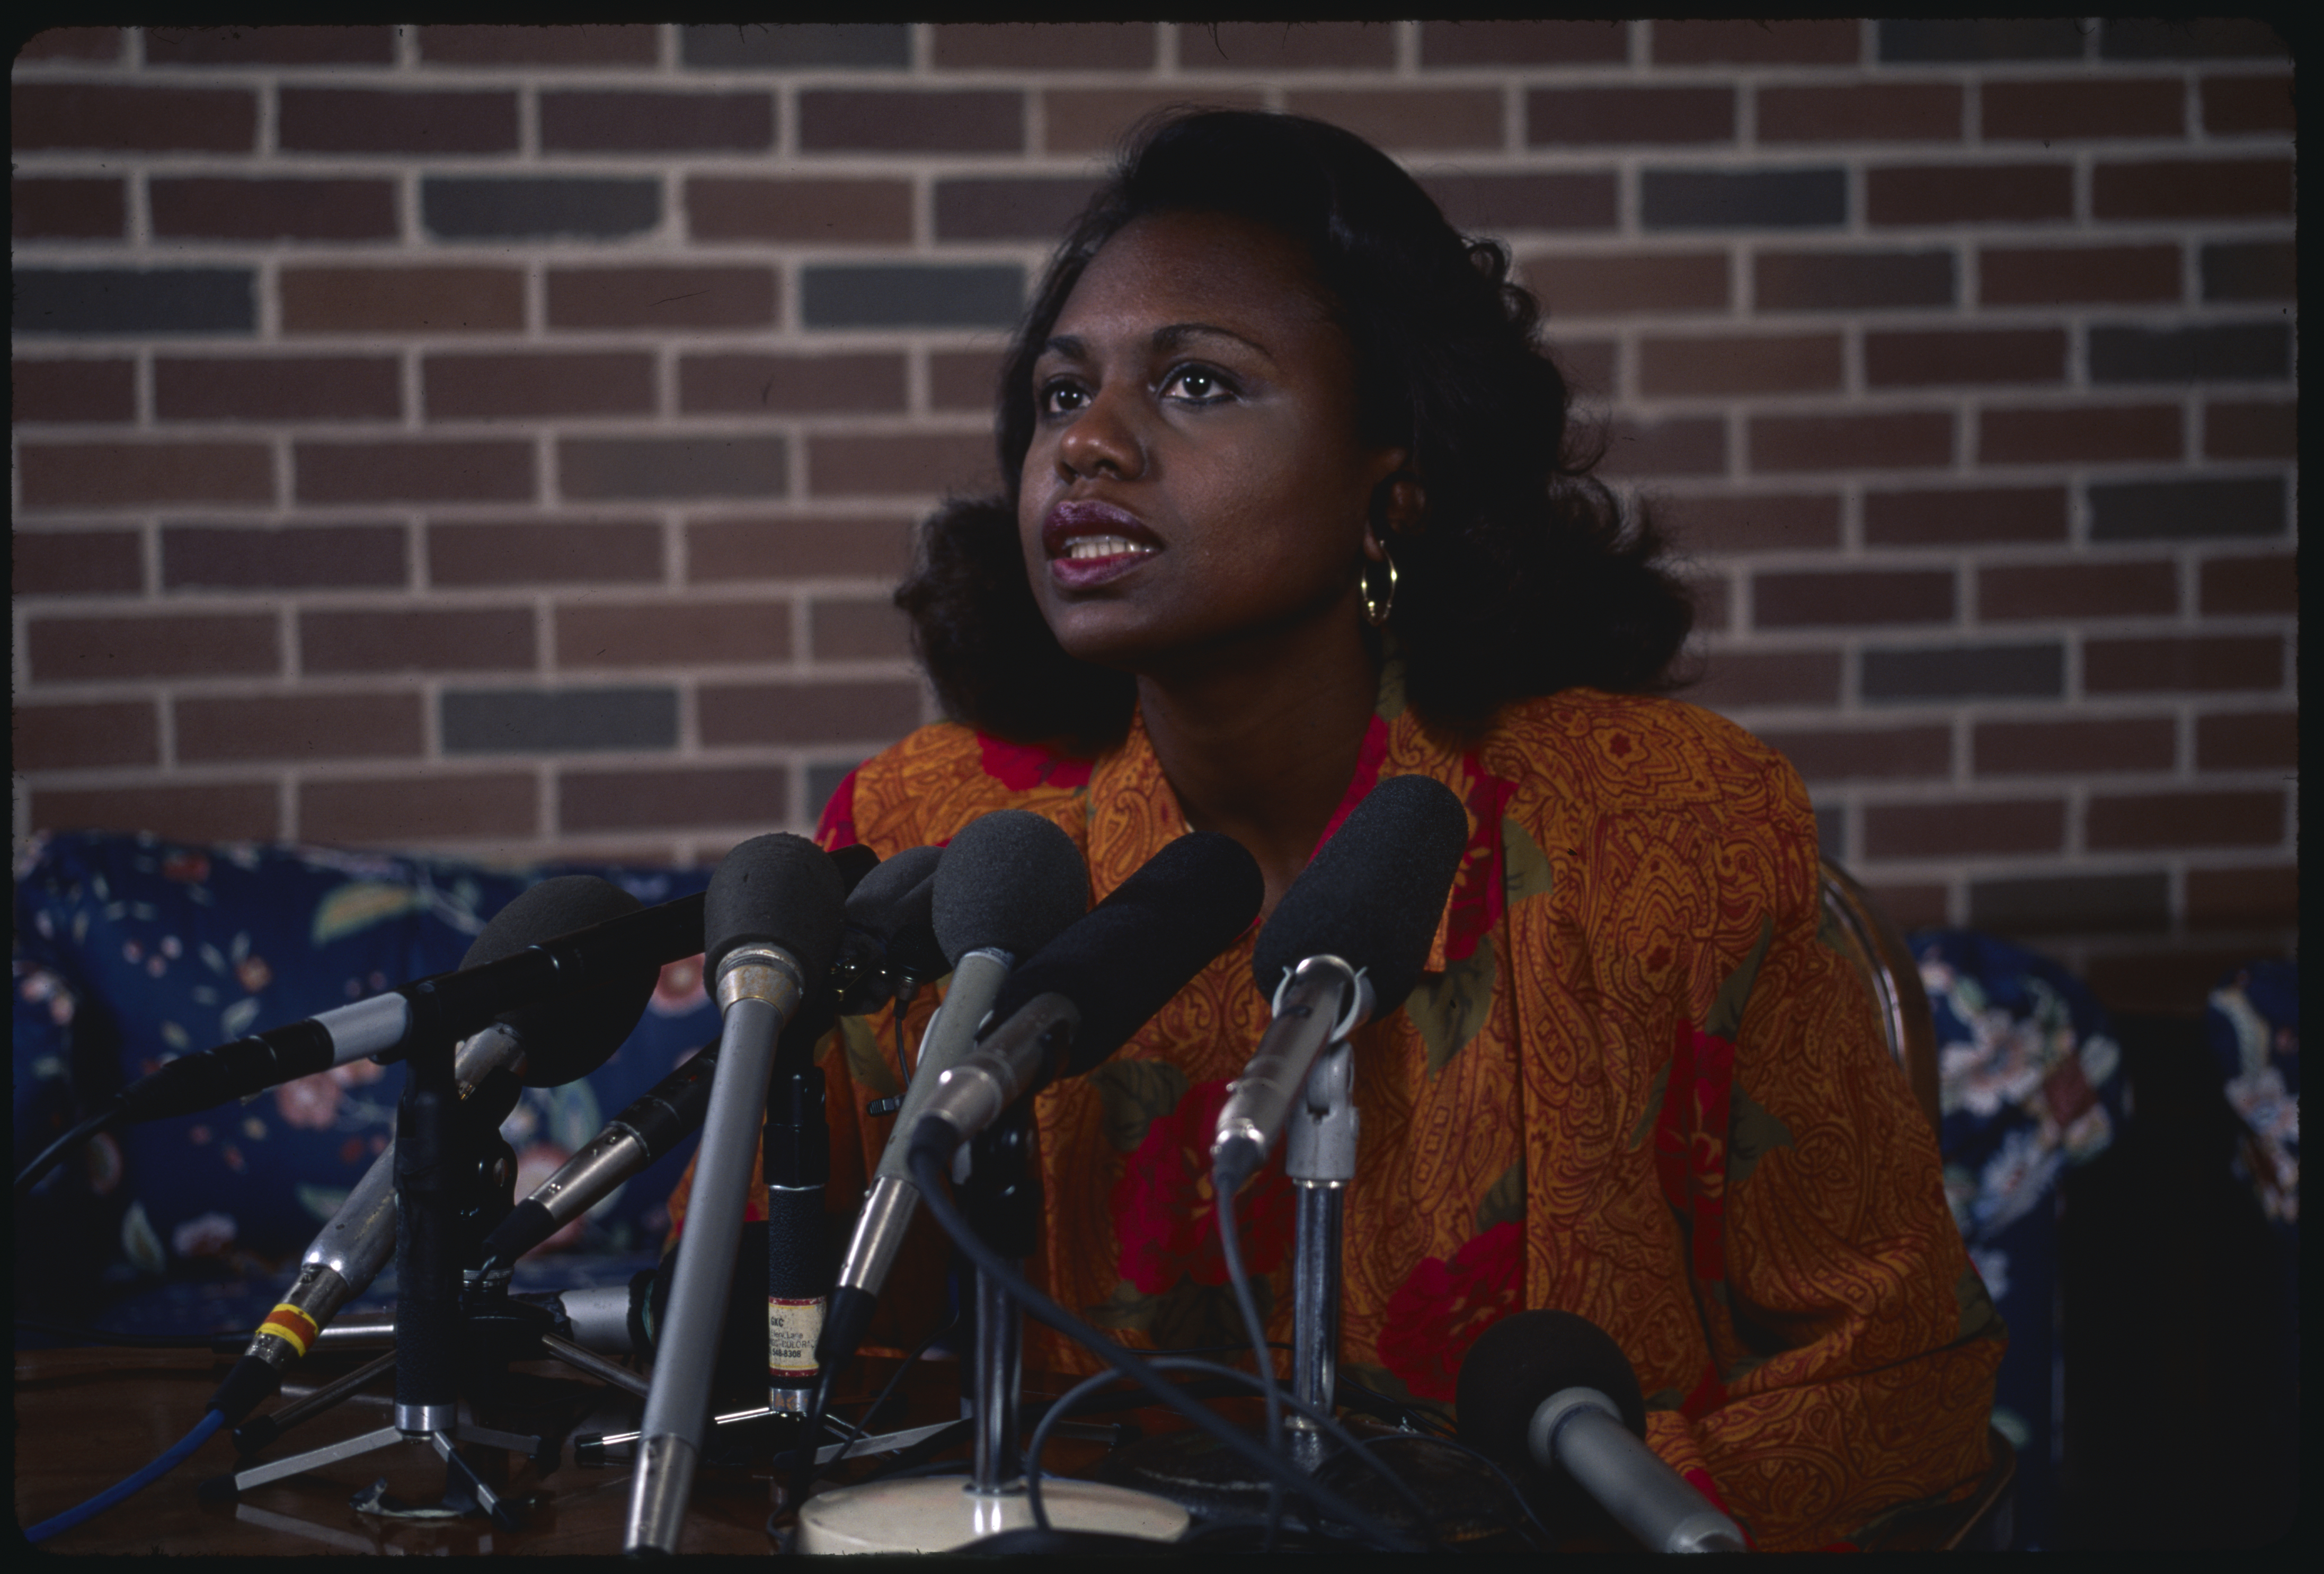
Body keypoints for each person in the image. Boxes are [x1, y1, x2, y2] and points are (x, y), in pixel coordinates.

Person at [668, 109, 2000, 1550]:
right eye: (1060, 396)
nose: (1090, 443)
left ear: (1394, 475)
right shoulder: (939, 829)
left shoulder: (1669, 825)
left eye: (1193, 381)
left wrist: (1513, 1520)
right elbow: (775, 1367)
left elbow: (1896, 1386)